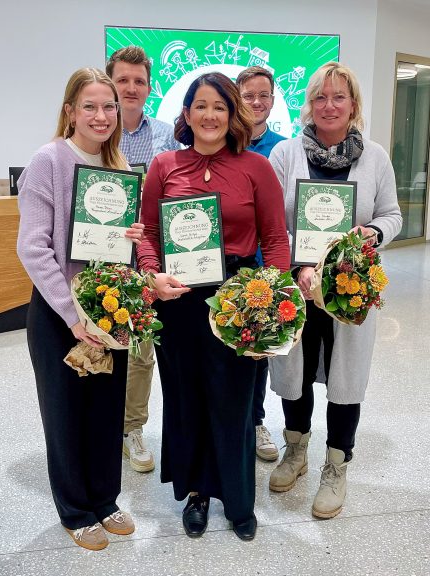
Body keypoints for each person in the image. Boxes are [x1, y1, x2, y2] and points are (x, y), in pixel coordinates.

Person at [137, 72, 290, 541]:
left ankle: (239, 497)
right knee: (187, 399)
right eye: (200, 106)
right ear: (186, 115)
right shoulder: (164, 166)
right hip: (179, 300)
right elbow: (147, 234)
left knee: (236, 401)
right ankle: (198, 493)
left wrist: (276, 307)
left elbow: (274, 239)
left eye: (219, 107)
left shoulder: (255, 168)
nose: (209, 115)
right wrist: (152, 274)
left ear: (233, 114)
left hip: (239, 299)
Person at [16, 68, 144, 551]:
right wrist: (73, 315)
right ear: (70, 110)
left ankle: (105, 500)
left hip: (110, 312)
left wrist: (132, 243)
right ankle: (75, 510)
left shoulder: (120, 169)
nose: (101, 115)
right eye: (89, 106)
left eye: (109, 107)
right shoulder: (47, 162)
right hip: (60, 314)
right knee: (67, 413)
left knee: (106, 411)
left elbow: (118, 252)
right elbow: (34, 248)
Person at [267, 61, 402, 519]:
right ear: (310, 104)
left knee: (346, 379)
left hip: (349, 289)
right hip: (296, 285)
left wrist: (373, 234)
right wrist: (298, 264)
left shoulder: (375, 157)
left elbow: (392, 215)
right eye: (320, 97)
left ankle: (337, 465)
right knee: (294, 373)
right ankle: (296, 450)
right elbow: (271, 225)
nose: (329, 105)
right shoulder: (286, 154)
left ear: (353, 105)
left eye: (338, 97)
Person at [106, 46, 180, 474]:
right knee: (97, 342)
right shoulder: (98, 134)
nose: (131, 88)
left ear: (149, 87)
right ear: (110, 82)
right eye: (123, 80)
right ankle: (102, 425)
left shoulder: (167, 135)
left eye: (139, 81)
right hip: (101, 259)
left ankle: (132, 429)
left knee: (141, 349)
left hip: (150, 258)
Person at [235, 66, 287, 463]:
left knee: (258, 350)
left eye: (263, 95)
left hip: (264, 269)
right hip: (223, 268)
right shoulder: (225, 144)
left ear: (273, 99)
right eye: (248, 95)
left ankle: (254, 422)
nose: (256, 102)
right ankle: (228, 424)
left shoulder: (283, 149)